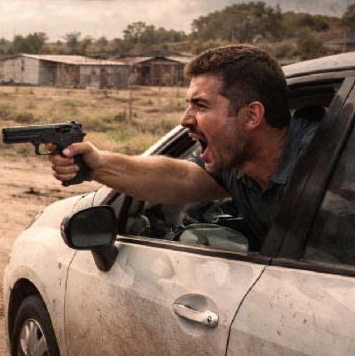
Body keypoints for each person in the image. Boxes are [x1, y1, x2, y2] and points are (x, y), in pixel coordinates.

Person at [49, 44, 322, 248]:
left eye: (201, 105)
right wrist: (99, 164)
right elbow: (180, 176)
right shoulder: (236, 164)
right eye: (188, 105)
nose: (185, 120)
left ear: (251, 116)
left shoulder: (327, 162)